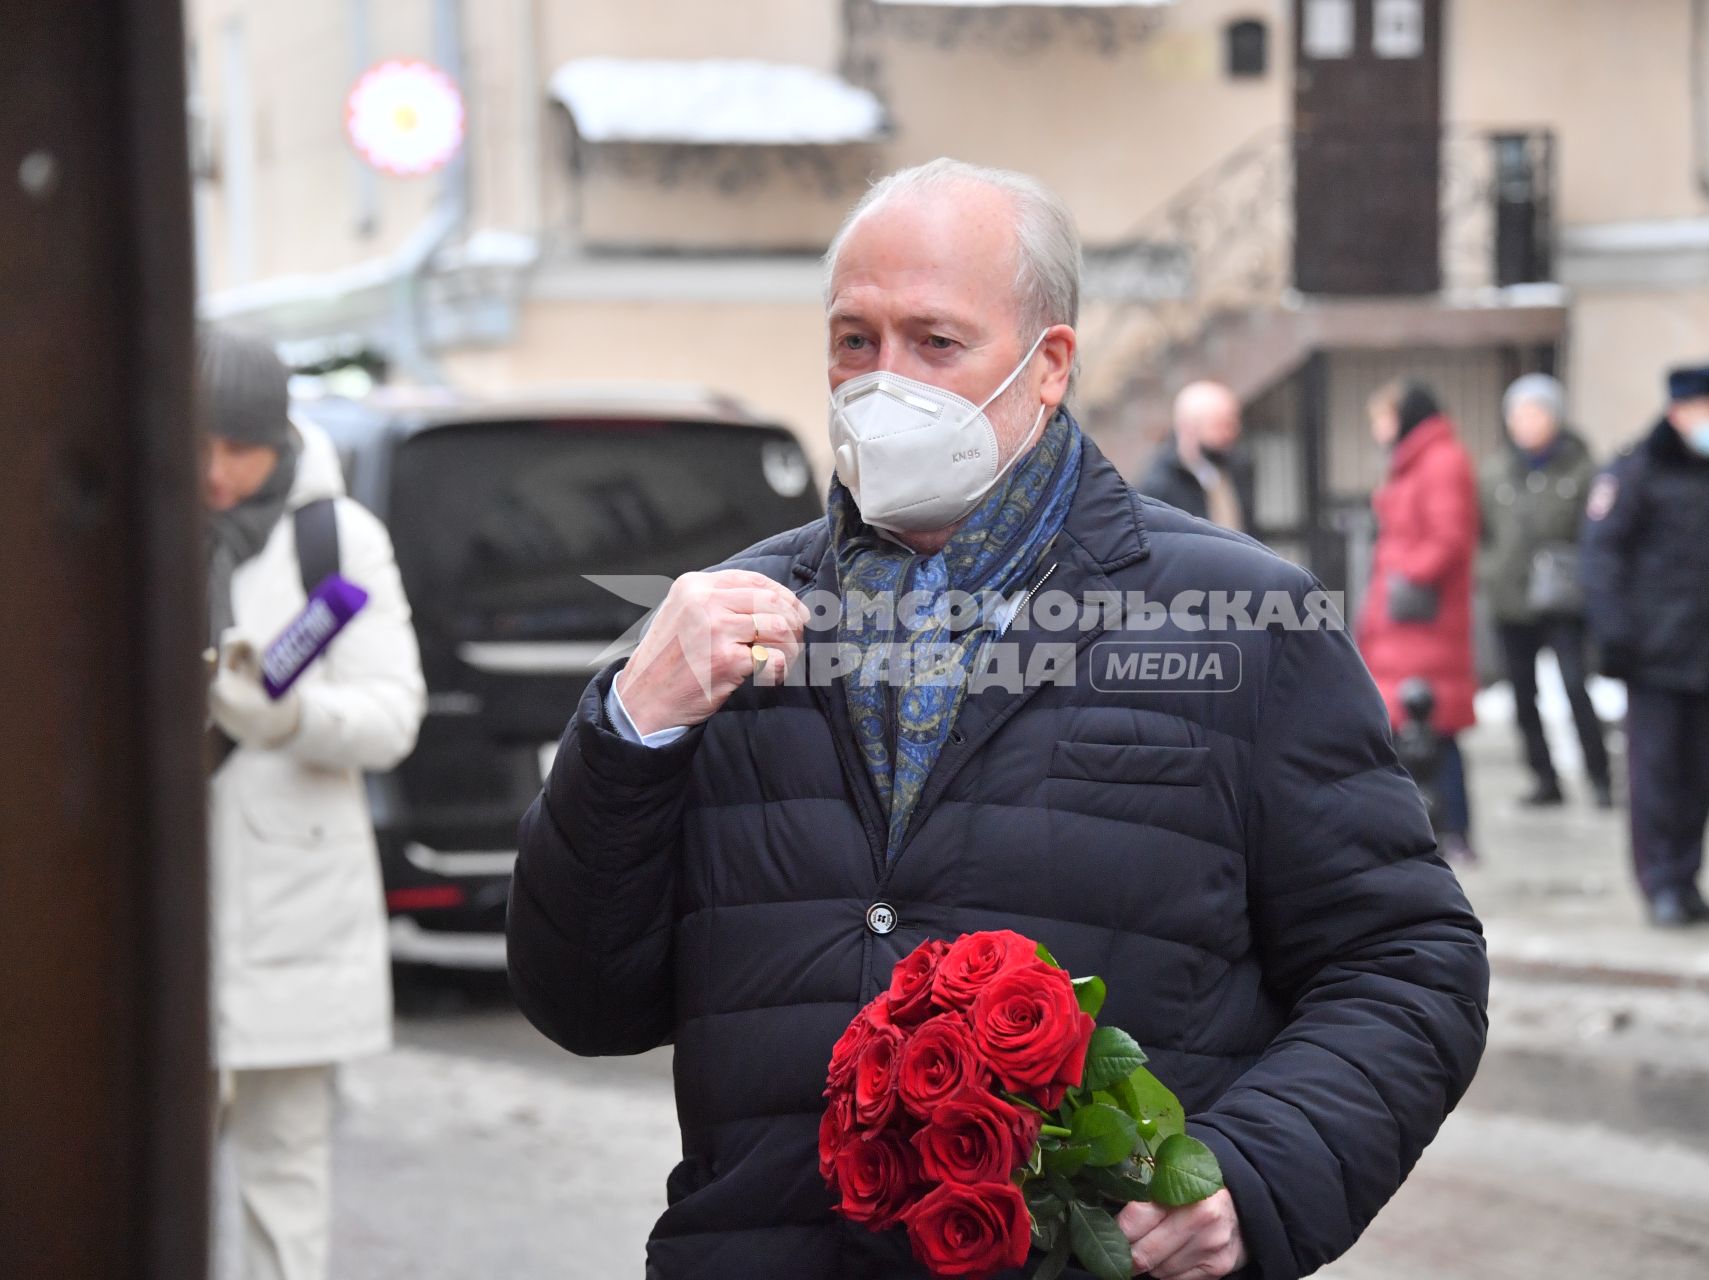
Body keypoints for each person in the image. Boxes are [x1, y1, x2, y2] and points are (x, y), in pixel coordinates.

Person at [508, 160, 1488, 1280]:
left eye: (935, 343)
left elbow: (1406, 958)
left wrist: (1253, 1176)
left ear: (1049, 366)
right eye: (853, 341)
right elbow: (581, 998)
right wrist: (632, 730)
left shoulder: (1240, 618)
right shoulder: (727, 622)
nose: (883, 385)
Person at [202, 327, 425, 1280]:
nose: (216, 472)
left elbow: (391, 717)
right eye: (198, 443)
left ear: (278, 437)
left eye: (239, 447)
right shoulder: (118, 521)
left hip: (288, 912)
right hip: (149, 917)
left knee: (283, 1181)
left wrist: (282, 717)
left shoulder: (334, 539)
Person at [1581, 364, 1709, 928]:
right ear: (1679, 412)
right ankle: (1660, 883)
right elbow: (1602, 556)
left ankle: (1689, 880)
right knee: (1655, 778)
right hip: (1653, 654)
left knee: (1699, 780)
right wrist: (1616, 636)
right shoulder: (1637, 471)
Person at [1358, 380, 1481, 862]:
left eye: (1383, 418)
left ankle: (1454, 830)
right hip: (1402, 620)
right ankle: (1422, 828)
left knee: (1435, 728)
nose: (1378, 430)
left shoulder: (1440, 461)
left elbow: (1451, 538)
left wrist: (1407, 578)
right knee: (1408, 731)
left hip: (1422, 619)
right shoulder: (1414, 461)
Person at [1477, 373, 1613, 808]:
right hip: (1511, 601)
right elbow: (1481, 533)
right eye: (1518, 413)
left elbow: (1598, 533)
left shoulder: (1583, 468)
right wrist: (1490, 571)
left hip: (1565, 600)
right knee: (1522, 695)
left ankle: (1600, 776)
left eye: (1535, 412)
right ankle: (1543, 778)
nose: (1526, 422)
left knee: (1575, 687)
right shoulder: (1495, 471)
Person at [1136, 379, 1256, 532]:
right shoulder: (1160, 481)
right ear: (1188, 428)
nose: (1232, 432)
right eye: (1221, 425)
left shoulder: (1238, 466)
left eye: (1233, 423)